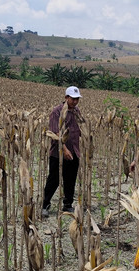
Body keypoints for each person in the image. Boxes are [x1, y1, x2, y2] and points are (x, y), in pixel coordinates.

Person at [41, 86, 83, 217]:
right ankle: (45, 205)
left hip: (74, 151)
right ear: (66, 98)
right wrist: (64, 149)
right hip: (58, 153)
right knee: (54, 179)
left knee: (70, 179)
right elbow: (55, 132)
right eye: (73, 99)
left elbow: (81, 127)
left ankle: (68, 205)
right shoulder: (57, 112)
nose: (75, 102)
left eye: (77, 99)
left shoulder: (76, 111)